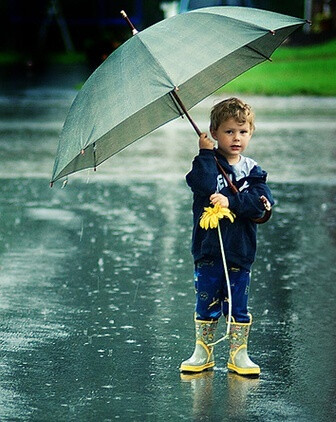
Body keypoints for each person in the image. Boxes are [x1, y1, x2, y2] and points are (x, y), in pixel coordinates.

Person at [180, 97, 274, 376]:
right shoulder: (206, 164)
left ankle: (238, 353)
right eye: (229, 132)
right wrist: (206, 154)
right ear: (214, 133)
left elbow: (262, 203)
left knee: (237, 303)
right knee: (206, 300)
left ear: (251, 133)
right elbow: (203, 185)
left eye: (243, 132)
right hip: (208, 251)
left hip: (240, 251)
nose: (236, 138)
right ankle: (203, 352)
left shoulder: (252, 171)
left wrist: (232, 202)